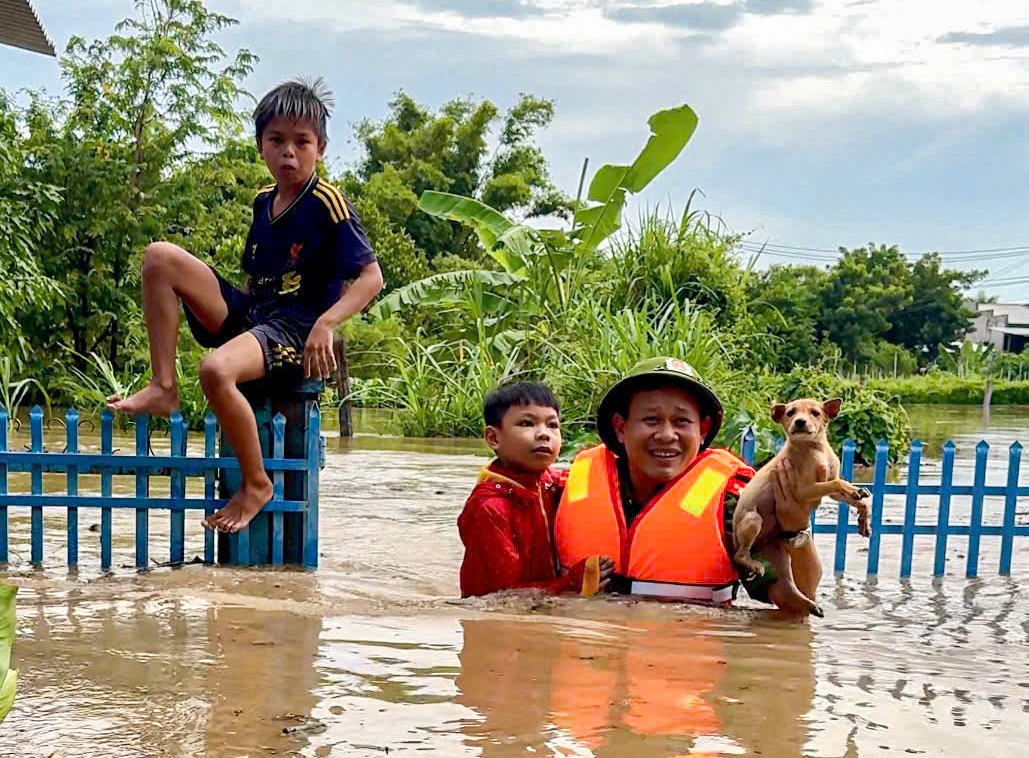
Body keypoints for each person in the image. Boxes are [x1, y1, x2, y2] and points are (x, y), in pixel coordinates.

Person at [107, 77, 384, 533]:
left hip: (296, 330)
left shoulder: (328, 204)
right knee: (159, 257)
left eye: (302, 142)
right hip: (255, 317)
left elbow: (371, 277)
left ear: (321, 148)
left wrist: (327, 323)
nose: (289, 153)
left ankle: (257, 483)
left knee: (215, 370)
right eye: (276, 141)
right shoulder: (263, 202)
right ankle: (163, 386)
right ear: (260, 146)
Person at [555, 357, 820, 608]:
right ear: (621, 428)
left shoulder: (733, 503)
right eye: (651, 420)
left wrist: (796, 532)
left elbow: (798, 601)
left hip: (687, 646)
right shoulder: (567, 485)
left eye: (682, 421)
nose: (667, 435)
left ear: (702, 430)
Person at [458, 382, 614, 597]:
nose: (544, 434)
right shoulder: (489, 509)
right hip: (506, 624)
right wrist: (573, 582)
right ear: (494, 438)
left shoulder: (554, 483)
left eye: (552, 425)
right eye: (526, 423)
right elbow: (498, 597)